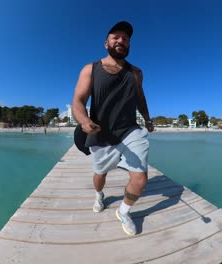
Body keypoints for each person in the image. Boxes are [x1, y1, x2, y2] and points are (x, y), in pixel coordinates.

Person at [72, 21, 154, 235]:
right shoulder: (91, 68)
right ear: (106, 43)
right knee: (100, 173)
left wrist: (147, 119)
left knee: (140, 176)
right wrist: (83, 121)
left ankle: (124, 212)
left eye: (125, 38)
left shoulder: (136, 72)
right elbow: (78, 100)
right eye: (115, 37)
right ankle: (99, 195)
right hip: (101, 132)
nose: (121, 41)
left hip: (130, 130)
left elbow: (140, 97)